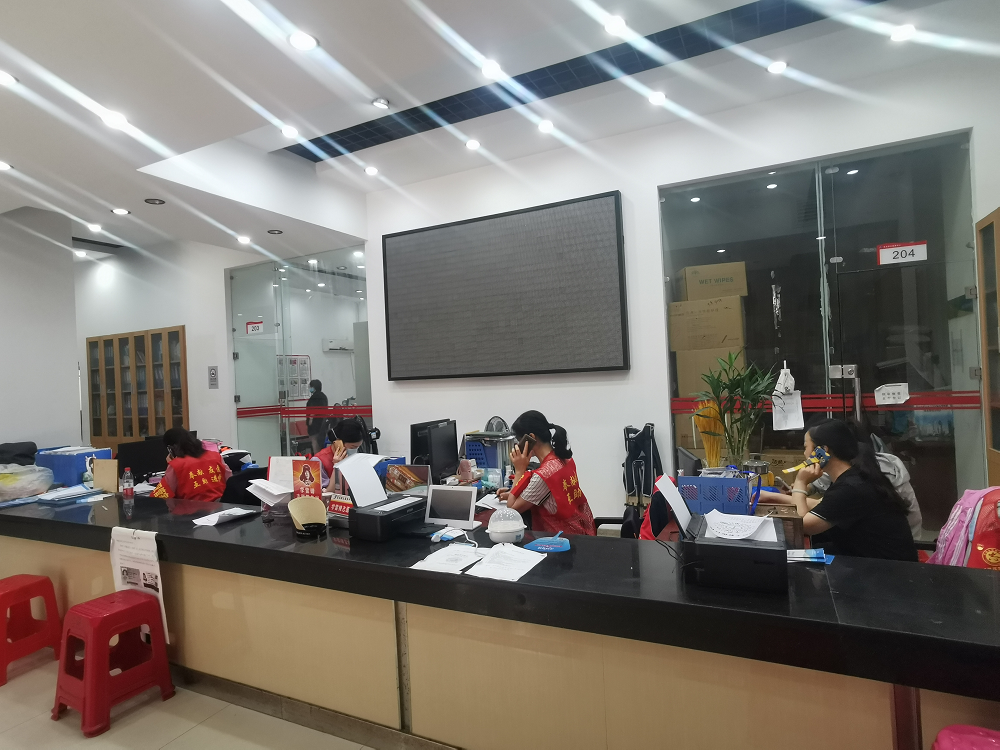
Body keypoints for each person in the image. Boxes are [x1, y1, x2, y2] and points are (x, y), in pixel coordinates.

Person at [786, 419, 917, 561]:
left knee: (791, 559)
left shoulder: (851, 487)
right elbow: (823, 506)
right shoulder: (854, 476)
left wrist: (800, 482)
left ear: (822, 451)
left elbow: (802, 526)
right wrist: (773, 497)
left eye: (806, 447)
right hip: (868, 557)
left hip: (886, 569)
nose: (805, 453)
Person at [497, 411, 596, 536]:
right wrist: (511, 493)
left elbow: (512, 510)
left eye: (519, 441)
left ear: (531, 438)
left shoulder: (544, 475)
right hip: (581, 530)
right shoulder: (565, 459)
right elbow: (549, 495)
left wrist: (519, 470)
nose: (518, 446)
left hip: (561, 539)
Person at [151, 428, 231, 502]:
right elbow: (231, 480)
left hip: (192, 510)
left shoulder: (177, 465)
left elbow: (159, 497)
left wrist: (170, 466)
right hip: (222, 507)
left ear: (172, 448)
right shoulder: (216, 456)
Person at [316, 419, 365, 491]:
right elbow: (327, 493)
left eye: (358, 447)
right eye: (353, 447)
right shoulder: (318, 461)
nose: (355, 450)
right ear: (339, 443)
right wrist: (337, 467)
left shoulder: (352, 458)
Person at [305, 379, 328, 455]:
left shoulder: (315, 397)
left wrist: (310, 420)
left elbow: (313, 409)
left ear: (314, 387)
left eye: (310, 387)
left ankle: (316, 458)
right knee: (320, 442)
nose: (310, 388)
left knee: (315, 442)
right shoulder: (323, 396)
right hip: (322, 422)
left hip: (315, 424)